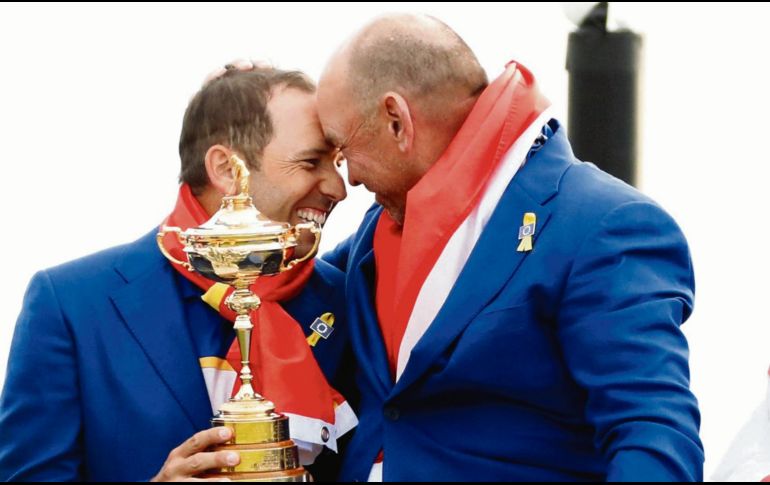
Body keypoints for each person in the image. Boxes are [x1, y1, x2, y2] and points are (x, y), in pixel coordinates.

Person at [317, 14, 703, 481]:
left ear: (397, 121)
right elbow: (287, 292)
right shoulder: (378, 229)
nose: (349, 180)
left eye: (343, 150)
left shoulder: (604, 225)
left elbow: (652, 435)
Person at [0, 65, 356, 482]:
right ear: (226, 169)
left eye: (337, 161)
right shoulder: (70, 304)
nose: (338, 187)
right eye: (311, 162)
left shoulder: (345, 297)